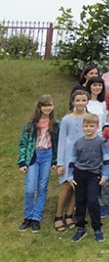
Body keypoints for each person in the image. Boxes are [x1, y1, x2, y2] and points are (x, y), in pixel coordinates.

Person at [66, 113, 109, 243]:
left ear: (97, 127)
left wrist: (105, 175)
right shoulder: (78, 142)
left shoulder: (101, 142)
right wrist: (69, 176)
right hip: (79, 175)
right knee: (80, 202)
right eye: (86, 126)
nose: (88, 128)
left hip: (94, 174)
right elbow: (72, 160)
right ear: (82, 127)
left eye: (92, 126)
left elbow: (107, 160)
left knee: (92, 201)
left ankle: (97, 228)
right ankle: (81, 228)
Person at [18, 95, 59, 233]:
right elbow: (23, 142)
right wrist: (22, 161)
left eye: (50, 105)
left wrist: (55, 160)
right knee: (30, 188)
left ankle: (36, 218)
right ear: (40, 107)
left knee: (42, 186)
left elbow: (57, 144)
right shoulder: (31, 124)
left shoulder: (55, 124)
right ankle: (27, 217)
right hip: (33, 156)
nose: (47, 108)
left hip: (47, 156)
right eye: (44, 105)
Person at [55, 89, 89, 232]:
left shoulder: (90, 117)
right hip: (69, 155)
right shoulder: (67, 119)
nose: (80, 103)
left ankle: (70, 214)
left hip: (84, 156)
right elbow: (62, 140)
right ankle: (58, 216)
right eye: (78, 100)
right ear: (73, 102)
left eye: (83, 100)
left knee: (78, 186)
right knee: (67, 185)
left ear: (87, 101)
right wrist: (60, 163)